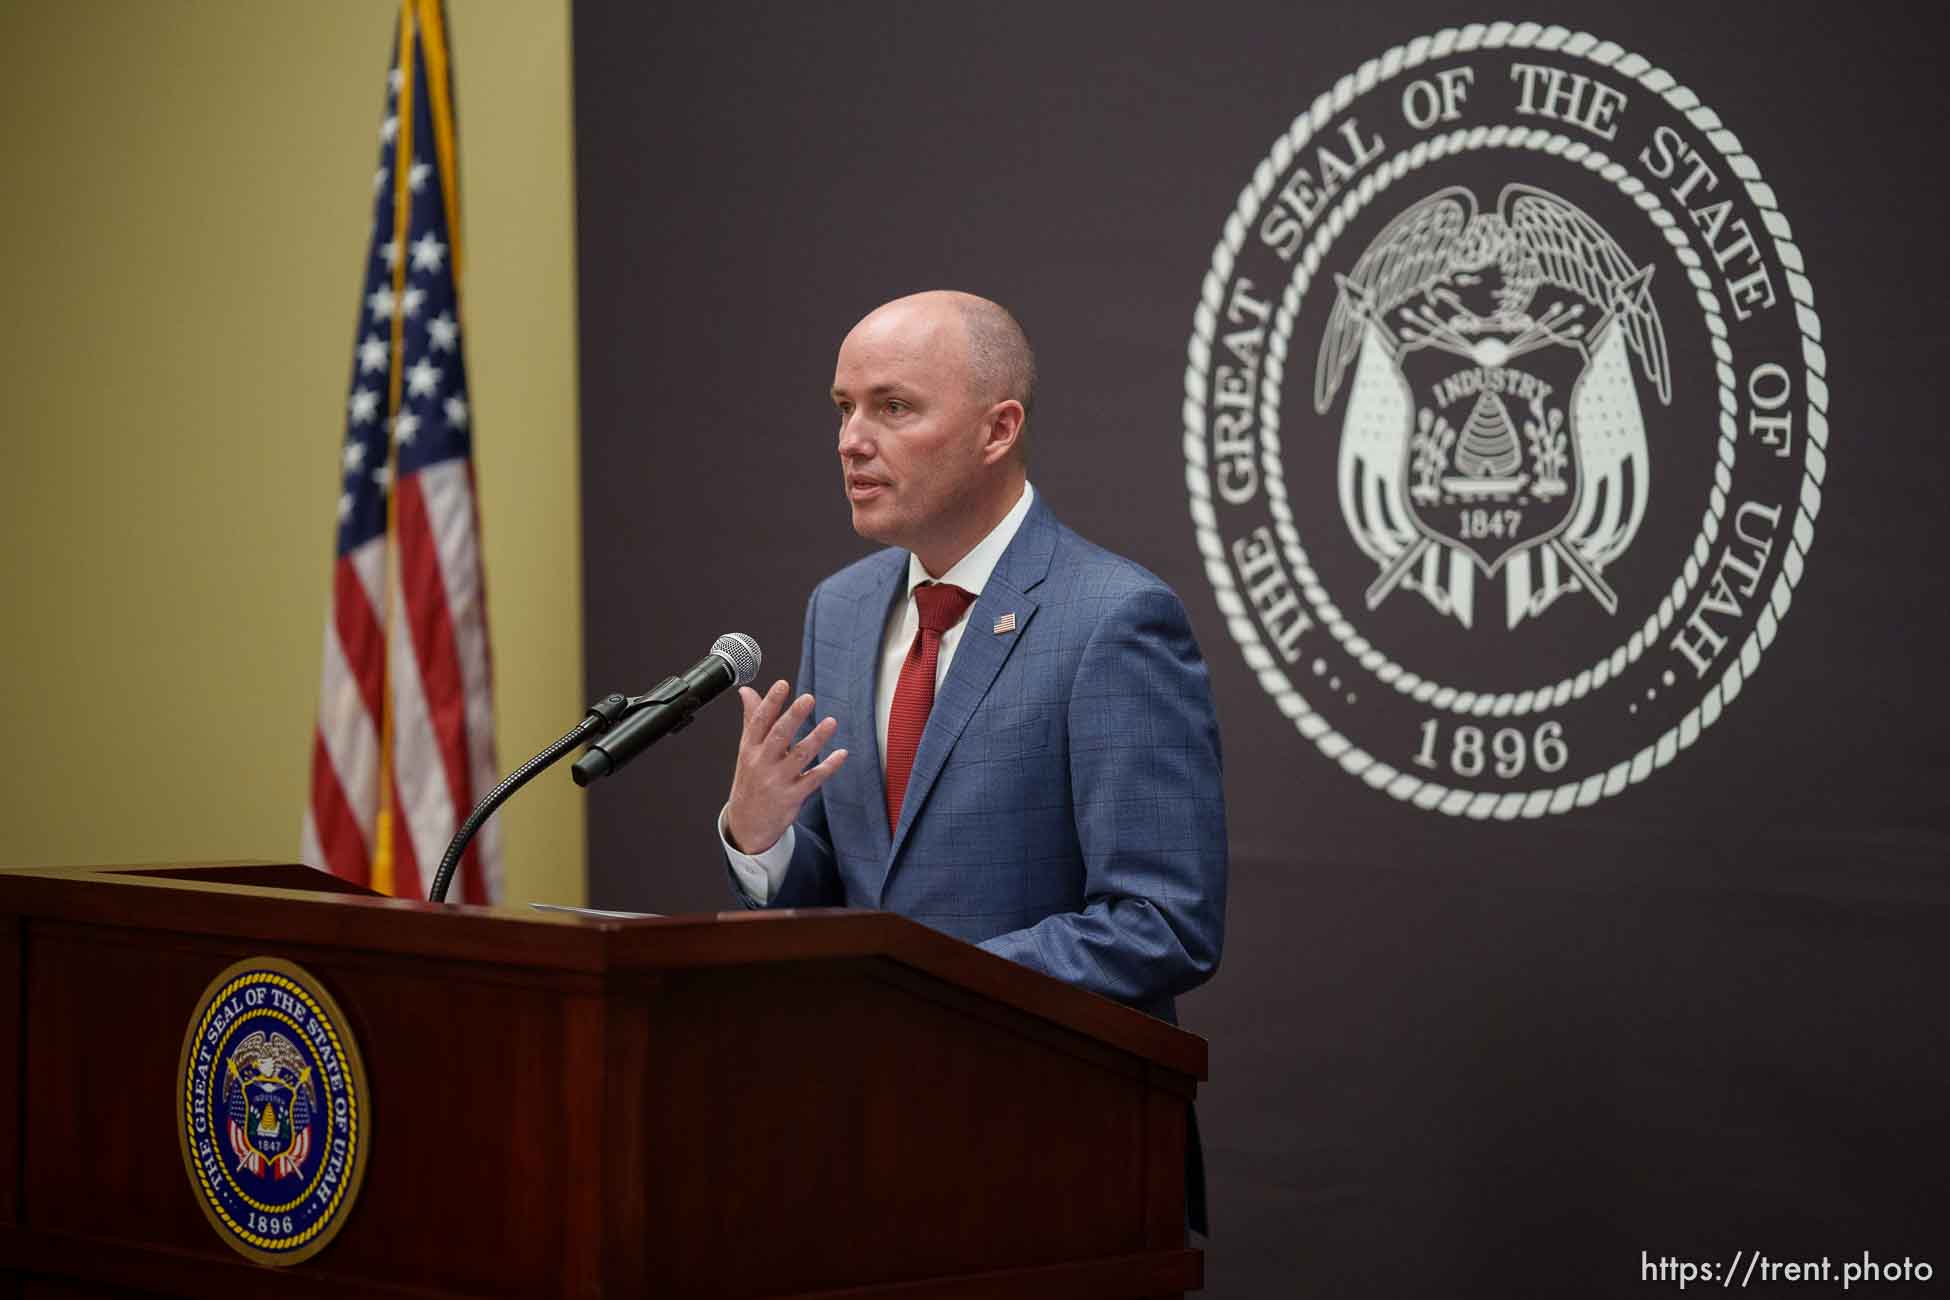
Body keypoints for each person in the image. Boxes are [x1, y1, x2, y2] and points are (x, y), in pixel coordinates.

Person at [715, 290, 1227, 1227]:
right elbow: (850, 894)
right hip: (868, 1154)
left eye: (893, 407)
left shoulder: (1112, 618)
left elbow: (1163, 921)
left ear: (998, 430)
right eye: (843, 408)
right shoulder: (840, 609)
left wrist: (924, 993)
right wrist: (764, 840)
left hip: (1062, 1158)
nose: (851, 440)